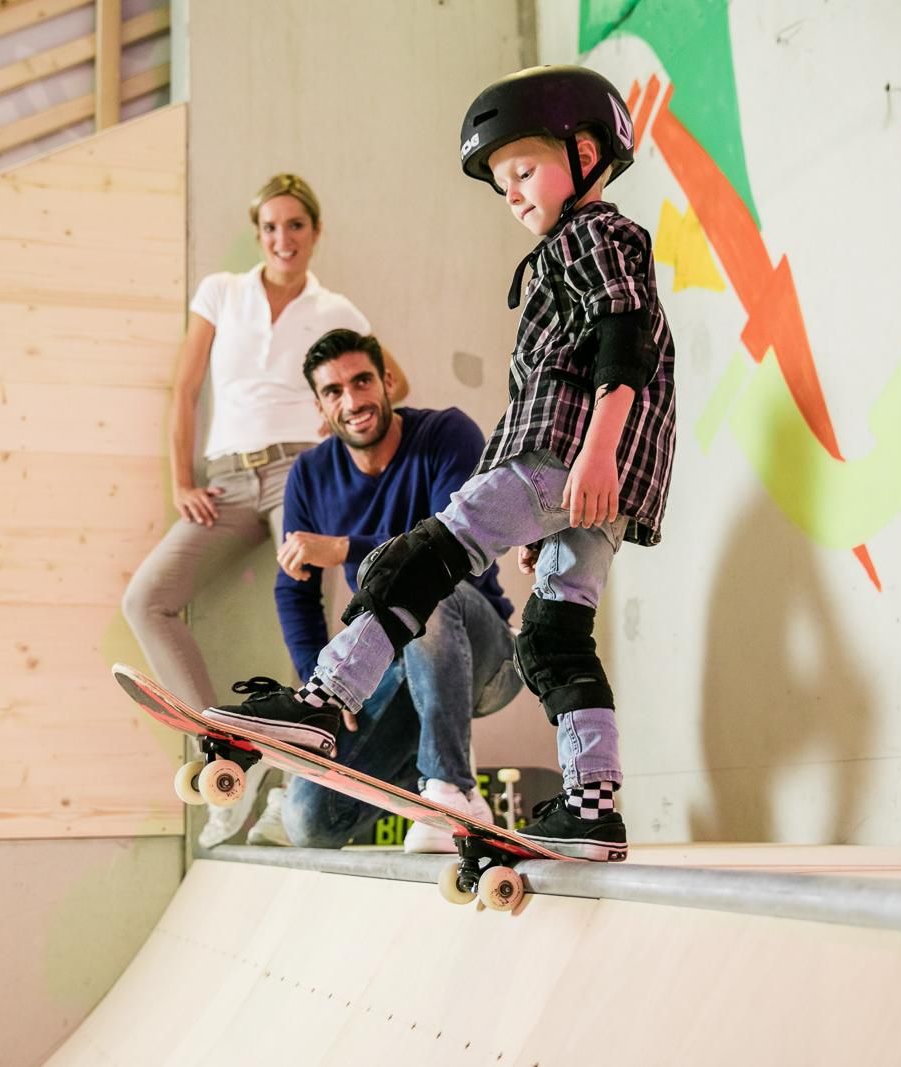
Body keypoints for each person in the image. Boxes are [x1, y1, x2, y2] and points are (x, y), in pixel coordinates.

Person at [202, 66, 677, 861]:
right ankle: (594, 809)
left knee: (415, 557)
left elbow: (622, 344)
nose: (515, 194)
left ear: (586, 150)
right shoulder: (582, 245)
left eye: (524, 171)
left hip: (567, 455)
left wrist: (592, 456)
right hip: (590, 484)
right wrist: (566, 504)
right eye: (502, 185)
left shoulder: (597, 236)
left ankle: (323, 701)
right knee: (554, 640)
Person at [122, 173, 406, 849]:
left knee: (308, 628)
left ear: (315, 232)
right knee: (147, 600)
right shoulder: (221, 292)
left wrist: (331, 422)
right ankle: (224, 760)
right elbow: (185, 389)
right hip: (222, 482)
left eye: (296, 226)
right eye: (272, 227)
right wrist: (181, 480)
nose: (284, 238)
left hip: (299, 475)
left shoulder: (334, 308)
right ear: (259, 234)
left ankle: (294, 789)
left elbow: (394, 382)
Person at [252, 328, 520, 852]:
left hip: (485, 652)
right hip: (385, 666)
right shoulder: (309, 474)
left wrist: (344, 549)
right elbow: (295, 591)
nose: (352, 401)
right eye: (334, 392)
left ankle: (451, 794)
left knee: (429, 588)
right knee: (308, 822)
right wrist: (322, 692)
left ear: (388, 382)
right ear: (320, 406)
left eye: (362, 382)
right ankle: (436, 786)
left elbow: (453, 551)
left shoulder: (447, 435)